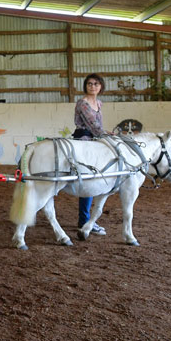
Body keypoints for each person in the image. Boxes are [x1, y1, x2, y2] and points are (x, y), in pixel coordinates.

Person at [72, 73, 109, 236]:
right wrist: (105, 135)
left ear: (100, 86)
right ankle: (85, 220)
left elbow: (99, 126)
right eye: (89, 84)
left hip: (95, 138)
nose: (92, 86)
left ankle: (87, 218)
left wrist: (107, 133)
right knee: (90, 178)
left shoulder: (99, 103)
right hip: (85, 139)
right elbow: (93, 125)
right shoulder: (83, 103)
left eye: (95, 84)